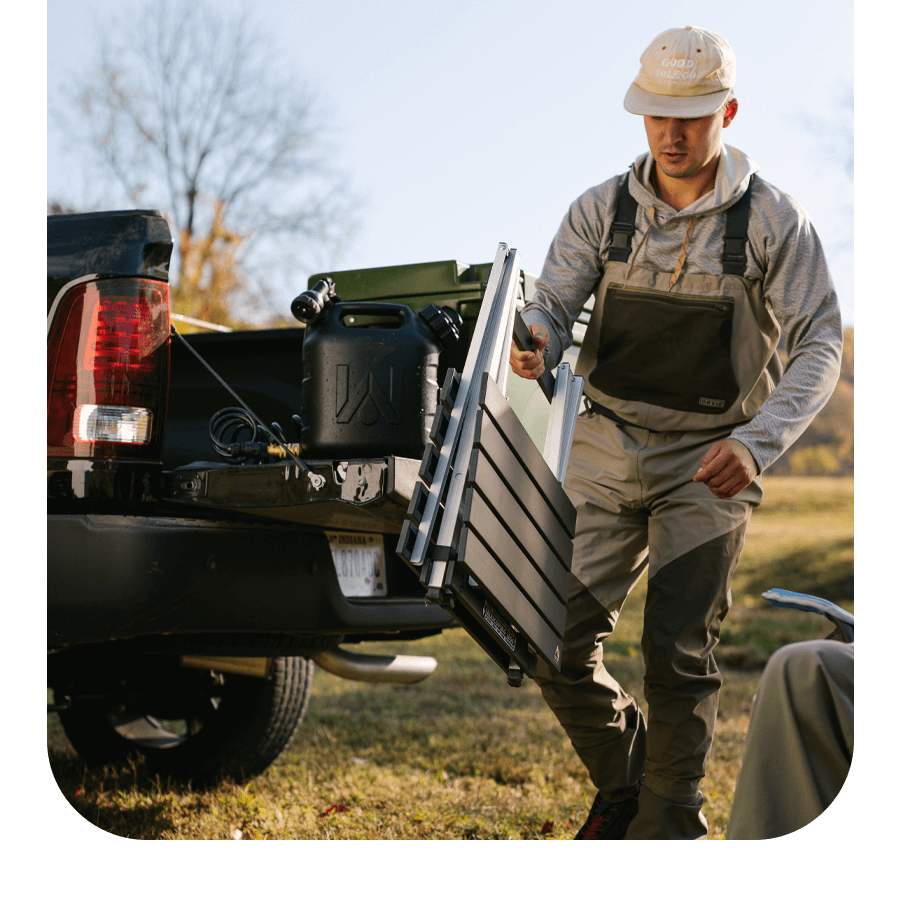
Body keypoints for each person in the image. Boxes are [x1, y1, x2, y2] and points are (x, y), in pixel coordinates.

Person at [509, 26, 842, 839]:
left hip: (713, 461)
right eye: (657, 115)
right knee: (548, 636)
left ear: (726, 111)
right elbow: (552, 302)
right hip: (608, 446)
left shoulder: (774, 221)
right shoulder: (599, 210)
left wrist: (756, 443)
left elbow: (821, 345)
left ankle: (669, 821)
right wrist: (539, 335)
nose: (672, 134)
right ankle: (629, 782)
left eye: (691, 115)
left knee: (679, 658)